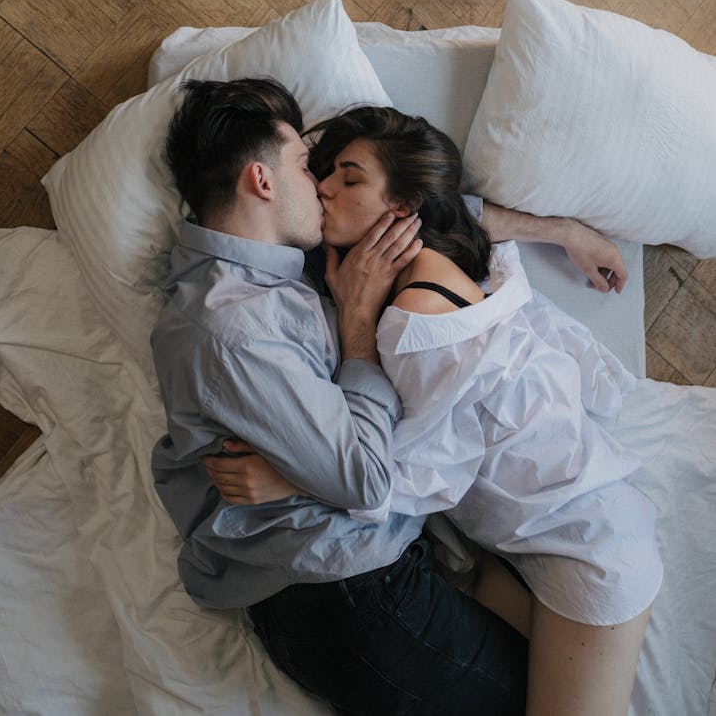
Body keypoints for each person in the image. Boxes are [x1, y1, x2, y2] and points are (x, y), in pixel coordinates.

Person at [152, 78, 634, 716]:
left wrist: (565, 231)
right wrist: (356, 330)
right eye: (306, 166)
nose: (320, 185)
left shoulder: (280, 266)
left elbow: (418, 208)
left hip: (379, 567)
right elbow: (364, 479)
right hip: (344, 590)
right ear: (263, 184)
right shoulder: (233, 326)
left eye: (335, 175)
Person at [292, 104, 661, 716]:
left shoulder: (415, 323)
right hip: (524, 553)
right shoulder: (464, 258)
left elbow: (416, 471)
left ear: (403, 210)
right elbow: (464, 207)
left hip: (590, 549)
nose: (323, 187)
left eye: (348, 178)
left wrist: (290, 474)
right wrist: (569, 232)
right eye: (327, 173)